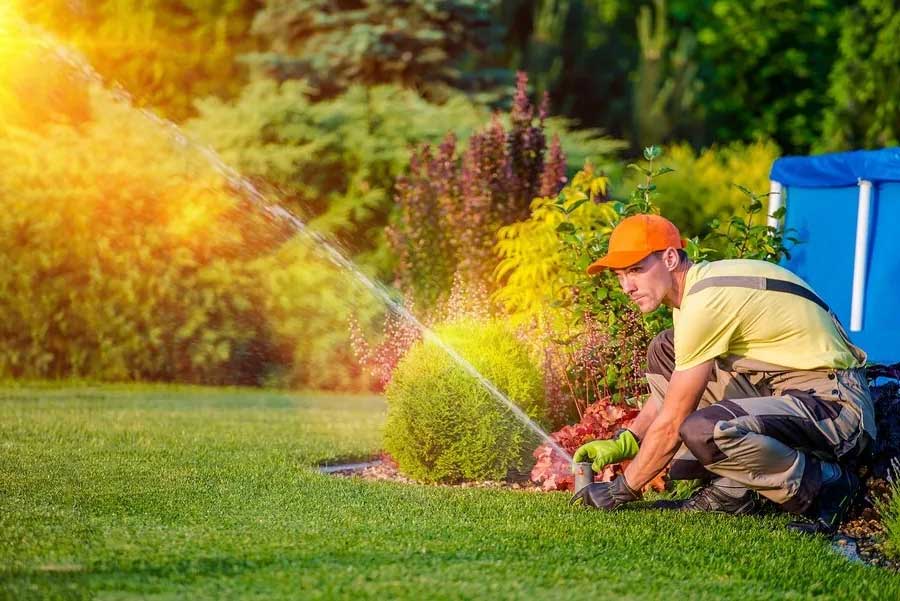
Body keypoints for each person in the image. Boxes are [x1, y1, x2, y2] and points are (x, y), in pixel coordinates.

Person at [569, 214, 875, 535]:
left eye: (636, 270)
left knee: (705, 433)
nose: (627, 287)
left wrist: (622, 489)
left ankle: (827, 486)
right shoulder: (696, 293)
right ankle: (736, 492)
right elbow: (674, 394)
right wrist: (630, 440)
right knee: (666, 349)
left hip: (836, 409)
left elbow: (673, 422)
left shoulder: (706, 301)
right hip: (788, 394)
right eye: (620, 276)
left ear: (670, 258)